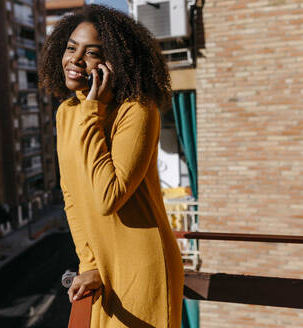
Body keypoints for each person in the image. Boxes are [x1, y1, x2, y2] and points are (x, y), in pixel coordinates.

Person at [38, 4, 184, 328]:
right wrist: (88, 263)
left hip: (143, 268)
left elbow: (108, 197)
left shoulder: (138, 110)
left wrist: (94, 112)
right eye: (70, 47)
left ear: (113, 62)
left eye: (91, 53)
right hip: (101, 270)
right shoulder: (66, 113)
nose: (75, 59)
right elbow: (71, 195)